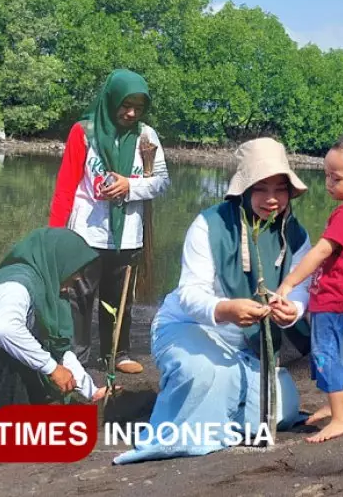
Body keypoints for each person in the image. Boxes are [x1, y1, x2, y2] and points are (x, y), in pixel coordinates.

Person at [113, 138, 313, 465]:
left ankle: (202, 402)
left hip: (246, 344)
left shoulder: (295, 234)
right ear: (244, 189)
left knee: (281, 411)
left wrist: (293, 311)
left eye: (281, 188)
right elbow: (191, 294)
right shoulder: (209, 224)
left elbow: (301, 288)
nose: (272, 199)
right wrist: (225, 309)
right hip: (191, 327)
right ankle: (184, 412)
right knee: (203, 373)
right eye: (261, 188)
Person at [49, 69, 170, 375]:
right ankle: (75, 356)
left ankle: (117, 353)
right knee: (77, 299)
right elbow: (66, 187)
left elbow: (161, 183)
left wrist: (131, 186)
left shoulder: (147, 136)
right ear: (111, 98)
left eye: (138, 108)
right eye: (125, 105)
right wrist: (55, 236)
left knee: (119, 299)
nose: (130, 113)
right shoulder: (83, 132)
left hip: (128, 234)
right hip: (85, 232)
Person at [0, 228, 108, 443]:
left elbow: (58, 349)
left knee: (27, 348)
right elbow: (4, 329)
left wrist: (92, 392)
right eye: (75, 269)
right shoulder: (17, 283)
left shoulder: (47, 292)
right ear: (56, 261)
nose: (77, 278)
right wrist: (51, 368)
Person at [274, 133, 343, 444]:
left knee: (325, 353)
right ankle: (337, 405)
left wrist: (291, 281)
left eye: (336, 178)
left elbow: (321, 251)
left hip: (334, 299)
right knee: (342, 353)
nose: (328, 184)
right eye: (325, 176)